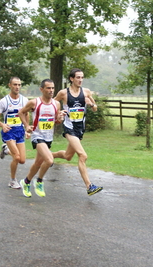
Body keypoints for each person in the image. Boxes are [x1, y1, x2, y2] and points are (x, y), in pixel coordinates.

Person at [52, 68, 103, 196]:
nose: (80, 80)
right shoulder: (64, 93)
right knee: (83, 155)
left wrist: (91, 104)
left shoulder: (86, 92)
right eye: (78, 77)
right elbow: (52, 103)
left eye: (82, 77)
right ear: (71, 79)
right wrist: (58, 113)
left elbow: (95, 108)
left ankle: (47, 156)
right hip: (69, 128)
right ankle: (89, 186)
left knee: (68, 156)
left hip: (80, 128)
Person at [18, 79, 65, 198]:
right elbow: (21, 112)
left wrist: (60, 119)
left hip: (48, 137)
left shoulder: (56, 104)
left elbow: (56, 121)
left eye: (53, 88)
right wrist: (27, 126)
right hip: (37, 136)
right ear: (42, 89)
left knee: (38, 162)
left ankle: (26, 182)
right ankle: (39, 181)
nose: (51, 91)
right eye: (48, 88)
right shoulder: (34, 102)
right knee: (49, 160)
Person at [0, 77, 29, 189]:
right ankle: (13, 180)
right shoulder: (4, 101)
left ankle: (6, 150)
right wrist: (2, 125)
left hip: (20, 130)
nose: (17, 87)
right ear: (10, 85)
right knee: (17, 157)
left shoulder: (24, 100)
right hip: (8, 132)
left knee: (22, 160)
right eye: (15, 84)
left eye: (19, 85)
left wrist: (27, 128)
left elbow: (26, 114)